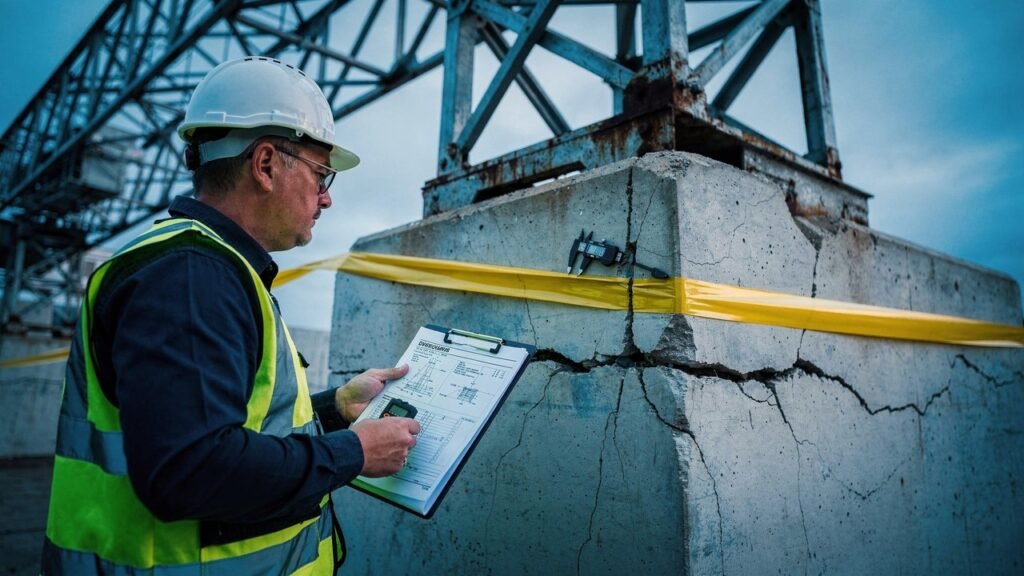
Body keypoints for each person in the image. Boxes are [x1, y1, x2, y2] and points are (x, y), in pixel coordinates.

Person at [41, 56, 420, 575]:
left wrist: (335, 408)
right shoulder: (192, 276)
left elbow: (227, 423)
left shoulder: (211, 269)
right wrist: (351, 453)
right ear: (265, 165)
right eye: (320, 173)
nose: (327, 197)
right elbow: (190, 469)